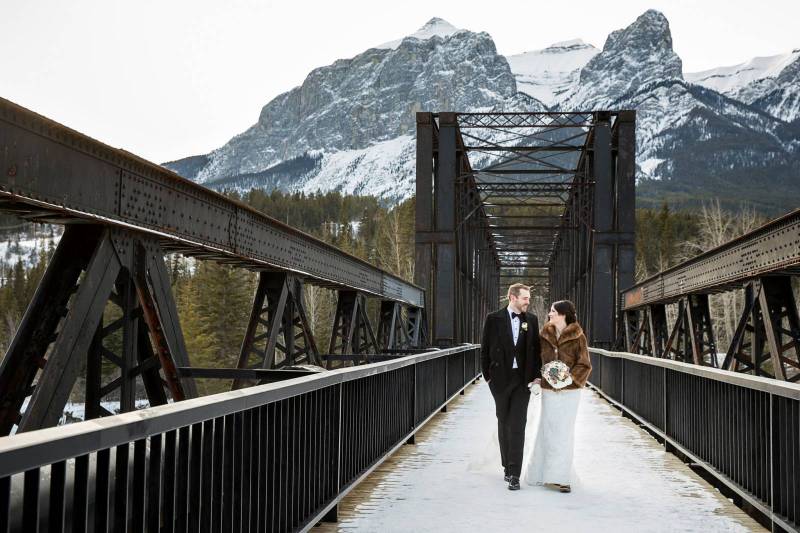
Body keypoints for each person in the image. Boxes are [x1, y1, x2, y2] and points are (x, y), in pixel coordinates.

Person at [523, 300, 591, 493]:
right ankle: (540, 473)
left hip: (570, 393)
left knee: (564, 433)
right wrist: (537, 379)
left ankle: (561, 478)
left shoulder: (578, 336)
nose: (550, 314)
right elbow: (536, 360)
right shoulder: (544, 335)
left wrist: (568, 380)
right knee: (546, 430)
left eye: (553, 311)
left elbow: (585, 364)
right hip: (548, 392)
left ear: (564, 314)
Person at [480, 283, 542, 491]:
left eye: (528, 298)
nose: (528, 301)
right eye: (525, 298)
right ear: (512, 297)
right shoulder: (493, 319)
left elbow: (536, 351)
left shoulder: (531, 320)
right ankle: (506, 465)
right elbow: (484, 349)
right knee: (503, 422)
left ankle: (515, 473)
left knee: (517, 425)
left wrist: (537, 376)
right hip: (499, 381)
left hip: (522, 380)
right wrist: (488, 377)